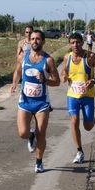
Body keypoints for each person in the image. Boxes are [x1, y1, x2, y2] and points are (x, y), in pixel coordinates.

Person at [10, 30, 60, 173]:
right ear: (29, 41)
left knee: (42, 134)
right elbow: (18, 71)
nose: (35, 41)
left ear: (43, 41)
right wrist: (14, 83)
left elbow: (57, 82)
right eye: (32, 39)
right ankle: (30, 136)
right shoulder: (23, 57)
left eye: (38, 39)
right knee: (22, 132)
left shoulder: (48, 60)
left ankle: (39, 162)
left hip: (41, 103)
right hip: (25, 101)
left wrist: (45, 80)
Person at [61, 32, 95, 164]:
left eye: (78, 42)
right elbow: (64, 71)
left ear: (83, 42)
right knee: (74, 121)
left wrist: (94, 80)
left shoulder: (90, 57)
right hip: (72, 96)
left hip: (87, 96)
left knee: (87, 127)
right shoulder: (67, 57)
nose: (75, 45)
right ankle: (79, 151)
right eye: (73, 42)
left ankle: (91, 119)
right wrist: (64, 76)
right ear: (69, 44)